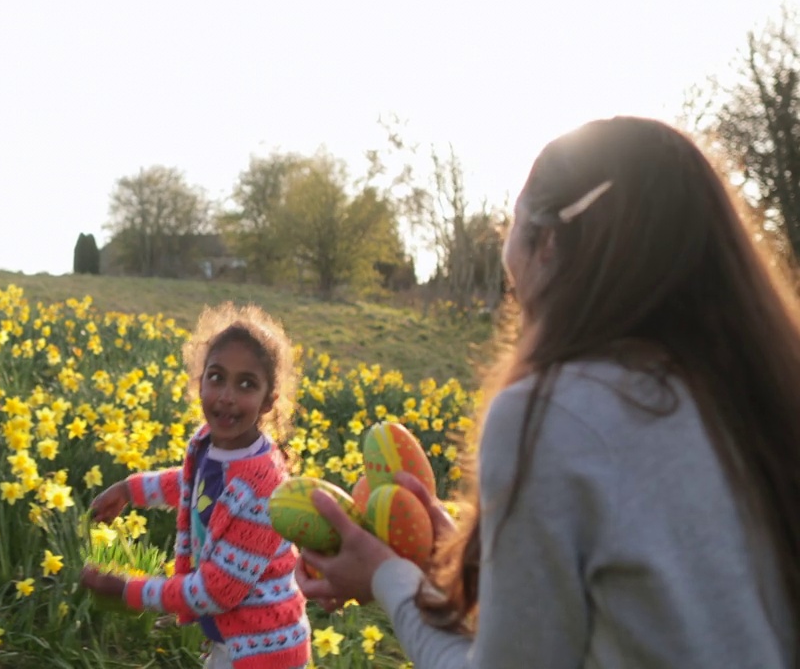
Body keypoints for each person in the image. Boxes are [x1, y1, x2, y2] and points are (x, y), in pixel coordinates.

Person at [295, 116, 799, 668]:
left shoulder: (554, 414)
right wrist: (469, 556)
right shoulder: (759, 394)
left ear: (549, 244)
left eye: (509, 228)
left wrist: (388, 576)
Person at [80, 303, 311, 669]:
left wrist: (129, 591)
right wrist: (128, 489)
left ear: (269, 401)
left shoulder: (263, 491)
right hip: (231, 640)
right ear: (199, 381)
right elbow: (190, 485)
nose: (226, 396)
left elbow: (215, 591)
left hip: (261, 649)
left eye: (246, 384)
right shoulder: (209, 445)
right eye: (216, 377)